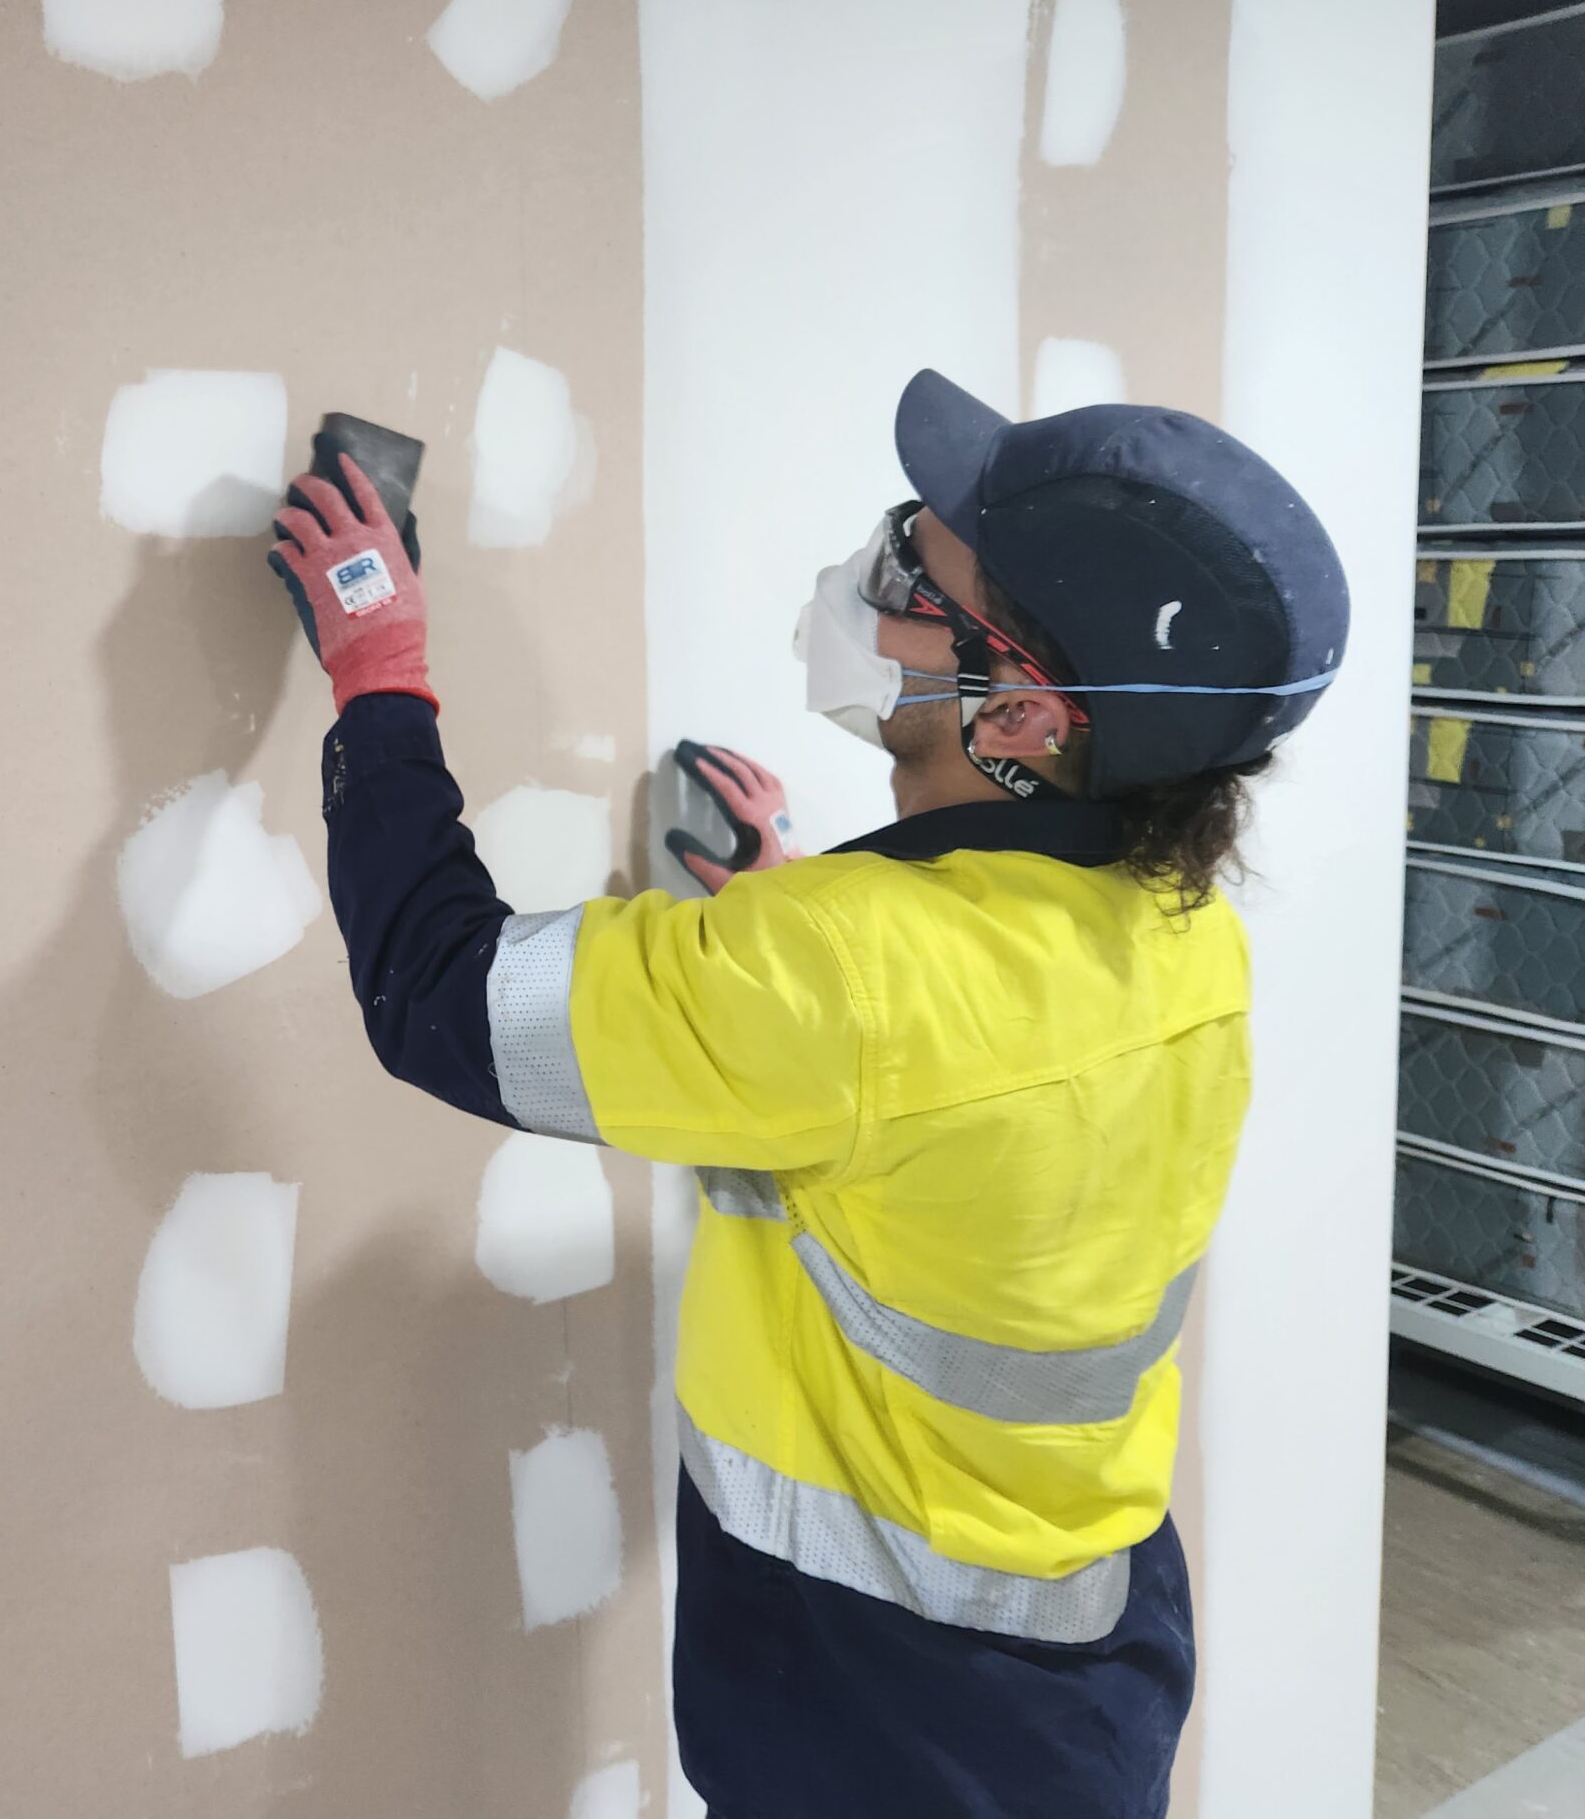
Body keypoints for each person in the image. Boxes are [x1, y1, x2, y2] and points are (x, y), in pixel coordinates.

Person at [266, 369, 1349, 1818]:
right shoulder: (1179, 925)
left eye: (915, 566)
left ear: (1022, 716)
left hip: (882, 1713)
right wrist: (780, 929)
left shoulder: (841, 987)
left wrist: (378, 670)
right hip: (1090, 1658)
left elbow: (442, 997)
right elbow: (956, 1108)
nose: (873, 567)